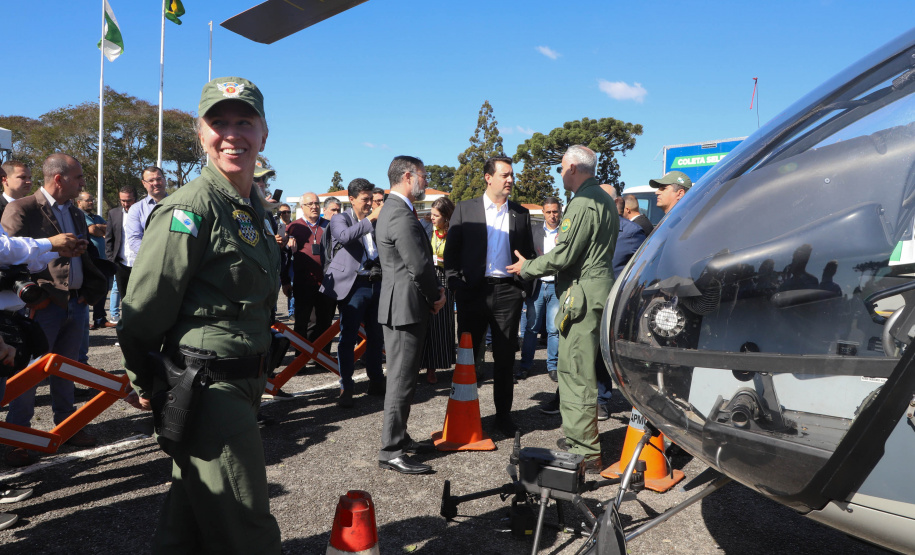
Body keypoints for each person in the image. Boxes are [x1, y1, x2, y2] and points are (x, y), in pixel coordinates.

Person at [117, 76, 282, 552]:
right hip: (209, 388)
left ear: (264, 133)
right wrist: (144, 381)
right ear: (200, 134)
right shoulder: (189, 208)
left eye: (244, 121)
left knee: (188, 522)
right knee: (247, 529)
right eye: (219, 122)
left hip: (245, 381)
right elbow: (143, 310)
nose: (232, 133)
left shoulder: (253, 210)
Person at [507, 145, 617, 473]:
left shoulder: (583, 202)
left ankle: (585, 453)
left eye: (561, 168)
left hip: (582, 294)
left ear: (572, 167)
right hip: (594, 290)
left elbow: (565, 255)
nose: (560, 173)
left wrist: (528, 267)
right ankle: (582, 444)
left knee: (575, 372)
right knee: (580, 370)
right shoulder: (604, 199)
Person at [1, 153, 107, 463]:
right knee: (29, 372)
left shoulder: (74, 212)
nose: (83, 182)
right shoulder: (21, 208)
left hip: (74, 303)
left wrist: (85, 290)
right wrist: (38, 297)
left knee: (67, 367)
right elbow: (10, 259)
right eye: (78, 177)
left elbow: (76, 257)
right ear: (59, 179)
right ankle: (20, 436)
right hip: (39, 306)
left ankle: (68, 427)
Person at [443, 156, 535, 437]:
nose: (510, 180)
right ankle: (465, 416)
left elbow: (529, 254)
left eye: (511, 175)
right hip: (473, 291)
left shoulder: (520, 213)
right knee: (468, 357)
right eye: (505, 175)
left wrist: (523, 285)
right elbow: (451, 252)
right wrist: (456, 283)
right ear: (488, 177)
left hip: (508, 292)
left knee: (505, 359)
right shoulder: (465, 209)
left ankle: (503, 417)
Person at [376, 156, 446, 475]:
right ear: (407, 176)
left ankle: (400, 438)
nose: (425, 181)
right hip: (405, 308)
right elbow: (418, 265)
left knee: (403, 379)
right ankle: (391, 449)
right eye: (423, 175)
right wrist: (436, 296)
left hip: (402, 305)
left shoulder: (395, 209)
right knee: (401, 382)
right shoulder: (401, 214)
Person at [321, 178, 386, 407]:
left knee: (376, 337)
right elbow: (345, 237)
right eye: (365, 199)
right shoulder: (341, 218)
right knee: (348, 337)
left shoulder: (376, 219)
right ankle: (346, 387)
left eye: (372, 199)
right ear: (351, 199)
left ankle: (377, 381)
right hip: (353, 285)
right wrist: (371, 219)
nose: (370, 203)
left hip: (376, 281)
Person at [283, 192, 335, 352]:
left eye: (317, 203)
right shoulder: (293, 227)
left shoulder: (329, 226)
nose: (314, 206)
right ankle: (300, 359)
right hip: (303, 283)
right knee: (302, 323)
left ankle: (322, 358)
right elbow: (284, 257)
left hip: (328, 283)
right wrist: (285, 280)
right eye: (310, 204)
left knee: (325, 322)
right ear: (302, 207)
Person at [519, 197, 562, 383]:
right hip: (537, 286)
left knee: (554, 329)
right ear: (543, 213)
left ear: (560, 211)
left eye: (555, 211)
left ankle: (552, 366)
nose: (552, 215)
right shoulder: (534, 231)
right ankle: (525, 365)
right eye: (549, 212)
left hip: (557, 286)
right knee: (531, 328)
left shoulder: (567, 233)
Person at [420, 196, 456, 384]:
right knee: (423, 322)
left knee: (440, 324)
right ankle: (420, 364)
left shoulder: (455, 231)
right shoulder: (424, 227)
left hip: (445, 279)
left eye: (436, 215)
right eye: (431, 214)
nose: (432, 217)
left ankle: (433, 367)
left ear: (447, 217)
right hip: (426, 277)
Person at [77, 192, 113, 330]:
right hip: (88, 260)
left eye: (92, 200)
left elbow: (110, 230)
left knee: (102, 289)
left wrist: (101, 228)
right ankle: (84, 320)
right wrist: (100, 228)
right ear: (79, 202)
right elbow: (92, 230)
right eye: (88, 200)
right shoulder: (79, 215)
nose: (91, 202)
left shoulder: (96, 217)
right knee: (85, 289)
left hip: (102, 259)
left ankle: (100, 318)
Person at [124, 166, 167, 268]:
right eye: (151, 180)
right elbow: (134, 240)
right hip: (148, 265)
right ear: (144, 183)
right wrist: (155, 258)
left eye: (158, 179)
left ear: (164, 179)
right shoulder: (136, 209)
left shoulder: (178, 205)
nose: (156, 183)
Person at [105, 185, 137, 315]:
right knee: (124, 297)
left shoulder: (144, 212)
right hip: (121, 263)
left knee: (139, 297)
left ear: (135, 198)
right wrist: (111, 260)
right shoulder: (114, 213)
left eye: (128, 200)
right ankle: (127, 325)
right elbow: (109, 238)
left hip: (139, 263)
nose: (125, 204)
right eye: (122, 201)